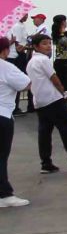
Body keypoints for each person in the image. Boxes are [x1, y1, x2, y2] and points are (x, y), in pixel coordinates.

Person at [25, 34, 67, 173]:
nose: (48, 46)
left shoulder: (31, 61)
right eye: (44, 43)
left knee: (45, 131)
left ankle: (46, 162)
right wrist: (63, 92)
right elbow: (54, 78)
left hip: (39, 100)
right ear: (36, 46)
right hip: (52, 98)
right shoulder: (43, 60)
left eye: (49, 43)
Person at [0, 38, 30, 208]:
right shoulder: (5, 66)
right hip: (2, 114)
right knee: (1, 156)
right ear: (5, 50)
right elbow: (26, 84)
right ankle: (4, 194)